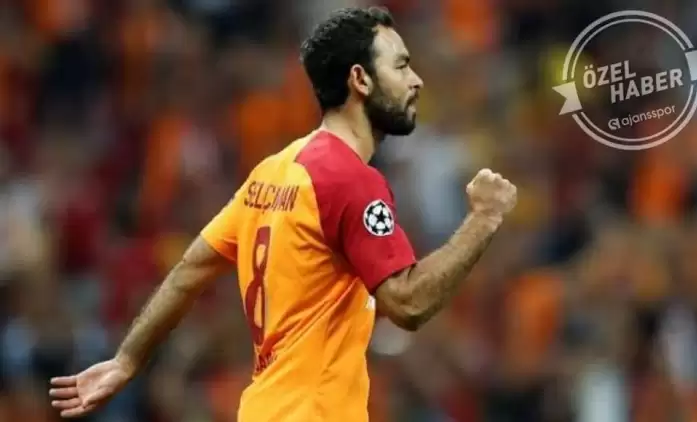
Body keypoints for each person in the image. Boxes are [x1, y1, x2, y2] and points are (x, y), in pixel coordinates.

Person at [48, 6, 517, 422]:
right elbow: (407, 303)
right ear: (360, 80)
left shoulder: (273, 171)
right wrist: (483, 219)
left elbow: (191, 270)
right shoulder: (351, 180)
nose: (416, 80)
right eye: (400, 65)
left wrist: (127, 360)